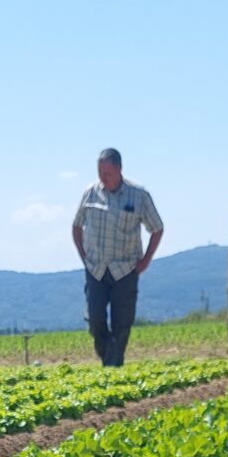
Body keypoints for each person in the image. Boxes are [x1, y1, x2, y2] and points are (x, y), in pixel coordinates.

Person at [71, 149, 163, 367]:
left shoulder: (139, 195)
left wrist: (145, 261)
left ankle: (114, 366)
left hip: (125, 268)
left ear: (119, 169)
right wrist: (84, 256)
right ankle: (107, 357)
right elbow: (76, 226)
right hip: (96, 269)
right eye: (100, 172)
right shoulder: (90, 193)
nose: (103, 177)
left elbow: (157, 228)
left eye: (108, 172)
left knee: (123, 323)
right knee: (95, 319)